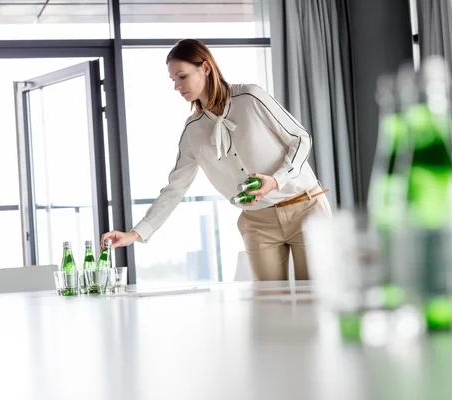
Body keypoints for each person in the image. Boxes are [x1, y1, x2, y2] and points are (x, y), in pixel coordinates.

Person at [101, 39, 332, 281]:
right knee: (271, 306)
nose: (177, 87)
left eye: (182, 77)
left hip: (305, 208)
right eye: (173, 81)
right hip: (257, 223)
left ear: (205, 68)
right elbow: (175, 188)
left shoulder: (251, 97)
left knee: (318, 299)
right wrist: (135, 234)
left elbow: (300, 138)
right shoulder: (193, 131)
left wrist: (276, 180)